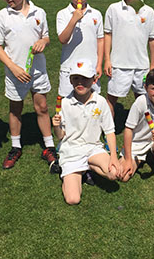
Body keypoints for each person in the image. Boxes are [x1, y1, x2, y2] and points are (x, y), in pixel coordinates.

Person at [0, 0, 59, 173]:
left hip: (37, 71)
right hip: (15, 73)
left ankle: (49, 147)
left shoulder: (39, 13)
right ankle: (15, 147)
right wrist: (13, 68)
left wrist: (43, 42)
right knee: (16, 109)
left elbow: (46, 37)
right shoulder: (2, 16)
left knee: (42, 108)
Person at [52, 59, 120, 205]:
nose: (80, 83)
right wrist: (56, 126)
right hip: (71, 151)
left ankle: (86, 167)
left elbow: (109, 131)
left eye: (85, 79)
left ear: (94, 80)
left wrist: (113, 156)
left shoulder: (101, 102)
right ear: (70, 80)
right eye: (76, 78)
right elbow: (60, 136)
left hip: (93, 148)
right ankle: (74, 170)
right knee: (73, 199)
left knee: (114, 173)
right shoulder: (64, 103)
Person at [103, 0, 154, 115]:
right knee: (111, 98)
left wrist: (152, 64)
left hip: (141, 66)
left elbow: (152, 40)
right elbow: (108, 35)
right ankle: (109, 131)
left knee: (143, 99)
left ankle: (143, 130)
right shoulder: (113, 9)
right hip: (119, 65)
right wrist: (107, 60)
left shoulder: (149, 12)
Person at [119, 67, 154, 181]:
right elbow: (128, 129)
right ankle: (138, 158)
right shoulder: (140, 102)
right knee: (122, 176)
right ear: (145, 88)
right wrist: (129, 159)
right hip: (138, 142)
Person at [56, 0, 104, 98]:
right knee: (66, 103)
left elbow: (100, 40)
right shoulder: (63, 14)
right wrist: (73, 20)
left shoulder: (96, 14)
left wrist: (99, 64)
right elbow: (63, 39)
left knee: (93, 103)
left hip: (91, 67)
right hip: (69, 67)